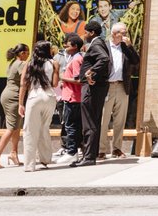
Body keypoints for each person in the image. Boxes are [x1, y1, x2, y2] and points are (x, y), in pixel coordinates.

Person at [98, 22, 140, 159]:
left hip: (122, 86)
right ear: (114, 34)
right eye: (123, 33)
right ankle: (101, 149)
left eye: (126, 33)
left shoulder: (125, 47)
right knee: (103, 119)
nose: (125, 35)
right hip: (107, 87)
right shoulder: (104, 46)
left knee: (119, 120)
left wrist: (130, 46)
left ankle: (117, 148)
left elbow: (136, 61)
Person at [72, 20, 110, 167]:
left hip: (92, 88)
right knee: (93, 121)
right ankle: (89, 155)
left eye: (86, 32)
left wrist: (91, 73)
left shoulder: (97, 44)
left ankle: (88, 157)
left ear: (92, 32)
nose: (84, 35)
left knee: (89, 122)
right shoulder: (100, 43)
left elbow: (104, 59)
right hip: (96, 87)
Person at [18, 40, 59, 172]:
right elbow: (55, 84)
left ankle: (29, 165)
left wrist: (20, 103)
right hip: (50, 97)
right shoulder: (54, 63)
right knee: (44, 128)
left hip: (34, 96)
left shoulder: (29, 64)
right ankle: (46, 158)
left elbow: (23, 84)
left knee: (30, 130)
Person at [0, 43, 28, 168]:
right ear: (22, 53)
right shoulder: (21, 64)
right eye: (27, 52)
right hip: (14, 97)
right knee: (11, 128)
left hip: (7, 94)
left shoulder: (11, 63)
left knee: (16, 126)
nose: (28, 54)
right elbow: (24, 82)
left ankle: (13, 153)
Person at [55, 34, 84, 163]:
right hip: (71, 96)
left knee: (71, 126)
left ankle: (71, 151)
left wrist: (62, 78)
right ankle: (75, 152)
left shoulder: (77, 59)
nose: (65, 45)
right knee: (73, 126)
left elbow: (78, 80)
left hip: (73, 97)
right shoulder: (74, 58)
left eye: (69, 44)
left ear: (75, 46)